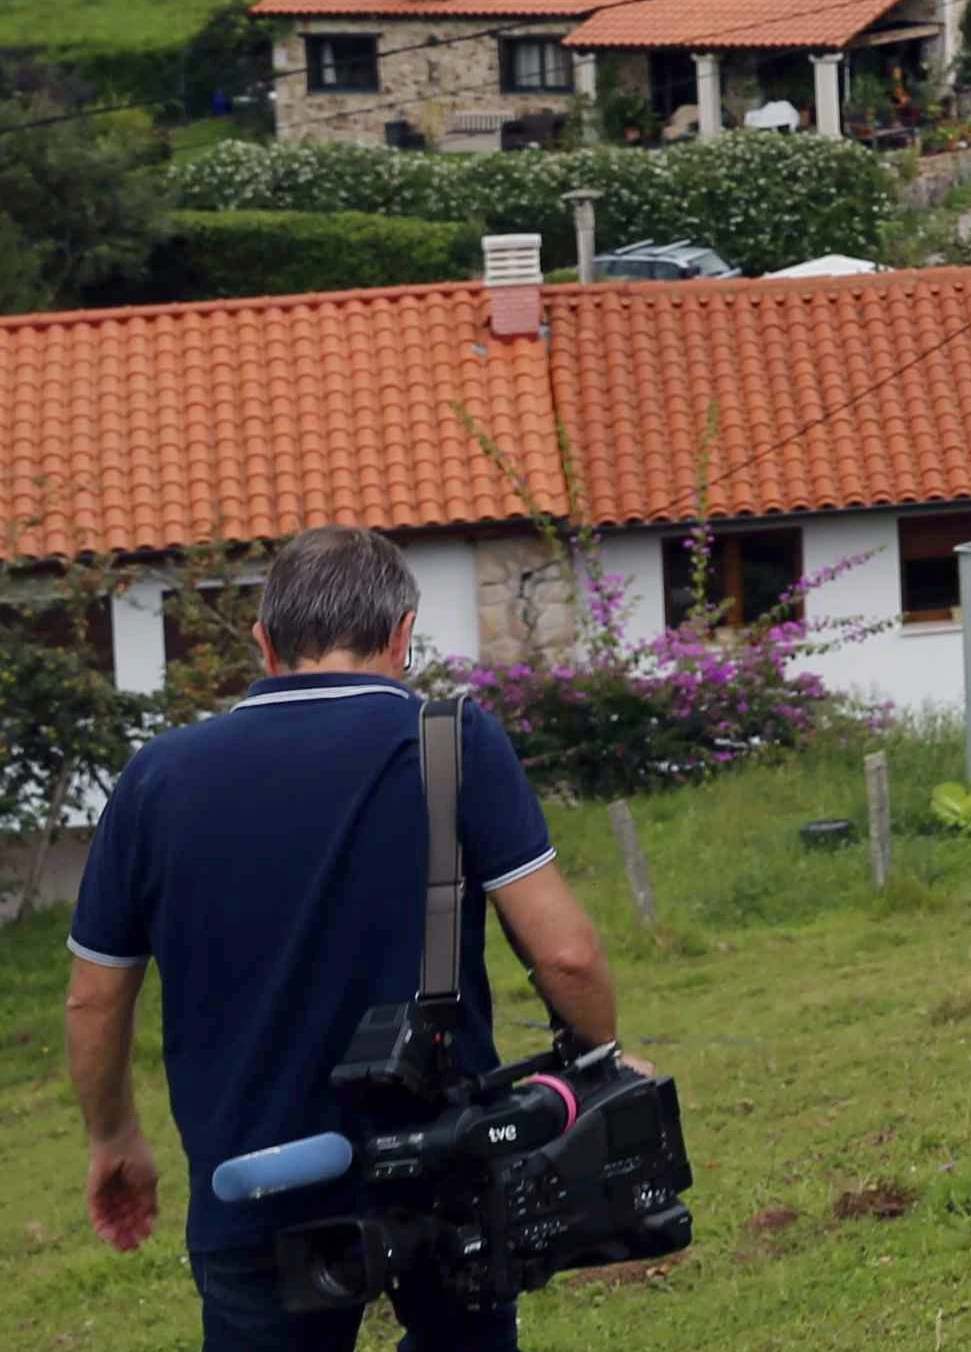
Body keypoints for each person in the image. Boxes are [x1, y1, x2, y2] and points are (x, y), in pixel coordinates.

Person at [64, 525, 628, 1352]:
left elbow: (92, 994)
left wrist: (114, 1134)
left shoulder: (156, 774)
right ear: (403, 633)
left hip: (250, 1178)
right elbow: (566, 953)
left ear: (263, 643)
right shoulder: (453, 742)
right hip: (439, 1164)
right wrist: (601, 1064)